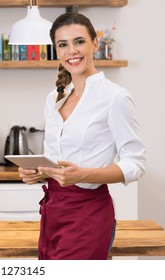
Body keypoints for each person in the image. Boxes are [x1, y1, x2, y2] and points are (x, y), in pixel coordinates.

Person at [18, 12, 146, 260]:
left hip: (89, 214)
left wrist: (83, 174)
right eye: (62, 44)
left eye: (79, 41)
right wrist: (38, 172)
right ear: (56, 50)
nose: (71, 51)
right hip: (53, 212)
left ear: (95, 43)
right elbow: (57, 160)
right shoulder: (54, 98)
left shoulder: (115, 97)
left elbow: (136, 164)